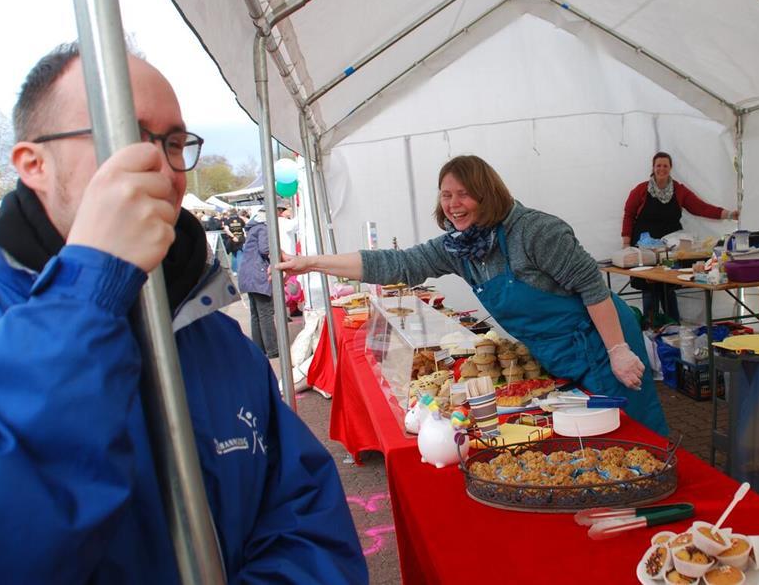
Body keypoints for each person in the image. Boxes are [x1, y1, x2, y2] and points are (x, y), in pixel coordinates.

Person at [0, 43, 366, 584]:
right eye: (126, 136)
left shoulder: (214, 334)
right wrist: (91, 283)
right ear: (34, 164)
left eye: (174, 143)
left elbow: (307, 515)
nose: (162, 169)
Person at [279, 154, 669, 436]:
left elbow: (592, 285)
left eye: (463, 194)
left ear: (487, 193)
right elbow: (397, 264)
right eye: (446, 195)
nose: (452, 205)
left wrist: (618, 351)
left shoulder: (534, 231)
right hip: (558, 355)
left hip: (605, 343)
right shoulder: (461, 247)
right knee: (586, 439)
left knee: (633, 434)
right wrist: (313, 262)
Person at [621, 151, 737, 324]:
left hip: (671, 250)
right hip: (645, 249)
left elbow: (701, 207)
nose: (661, 169)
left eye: (665, 166)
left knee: (668, 286)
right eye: (658, 165)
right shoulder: (640, 190)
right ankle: (650, 327)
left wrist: (728, 214)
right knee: (649, 287)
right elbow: (629, 215)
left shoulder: (679, 191)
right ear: (653, 168)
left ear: (670, 168)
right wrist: (626, 243)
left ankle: (674, 326)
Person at [238, 199, 294, 361]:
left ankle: (260, 348)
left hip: (248, 274)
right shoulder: (263, 228)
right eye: (280, 211)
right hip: (258, 275)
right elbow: (265, 249)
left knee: (256, 314)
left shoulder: (254, 226)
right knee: (266, 313)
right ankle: (273, 349)